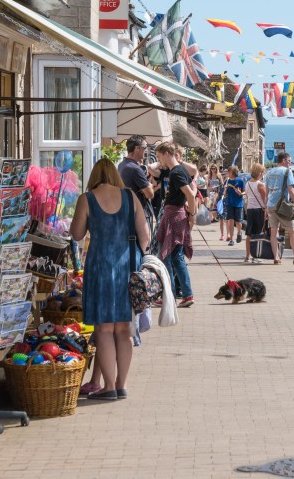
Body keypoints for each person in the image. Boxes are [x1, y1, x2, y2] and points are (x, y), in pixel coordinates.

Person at [69, 159, 150, 400]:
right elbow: (144, 236)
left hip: (99, 267)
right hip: (126, 267)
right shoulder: (130, 197)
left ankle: (109, 387)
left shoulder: (87, 199)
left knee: (104, 329)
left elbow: (77, 234)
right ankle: (121, 385)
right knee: (123, 330)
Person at [153, 142, 198, 308]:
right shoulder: (180, 171)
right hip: (176, 214)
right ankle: (185, 294)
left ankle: (170, 294)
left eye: (159, 157)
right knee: (175, 257)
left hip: (174, 215)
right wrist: (190, 214)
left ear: (166, 153)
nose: (159, 161)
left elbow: (191, 195)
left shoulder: (176, 173)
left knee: (168, 257)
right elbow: (192, 192)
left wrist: (192, 215)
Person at [264, 152, 294, 265]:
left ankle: (276, 258)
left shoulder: (269, 172)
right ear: (283, 160)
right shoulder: (287, 172)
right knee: (292, 231)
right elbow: (291, 189)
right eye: (288, 161)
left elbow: (266, 192)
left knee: (273, 232)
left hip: (271, 204)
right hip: (282, 205)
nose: (289, 163)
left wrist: (265, 208)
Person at [118, 135, 156, 254]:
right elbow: (150, 194)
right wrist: (149, 186)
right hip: (139, 214)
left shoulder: (122, 165)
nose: (146, 150)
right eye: (144, 147)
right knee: (144, 247)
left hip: (128, 212)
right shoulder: (135, 169)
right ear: (136, 148)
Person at [244, 163, 268, 263]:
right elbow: (265, 199)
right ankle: (256, 255)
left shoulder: (247, 183)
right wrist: (266, 210)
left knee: (249, 234)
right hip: (259, 210)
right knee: (258, 233)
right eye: (262, 173)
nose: (263, 175)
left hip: (250, 209)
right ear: (259, 173)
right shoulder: (260, 184)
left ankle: (247, 255)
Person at [222, 166, 245, 246]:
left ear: (234, 172)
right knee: (230, 221)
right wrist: (225, 190)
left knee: (238, 222)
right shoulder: (227, 181)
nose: (228, 173)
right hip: (229, 203)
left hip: (238, 204)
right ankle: (231, 239)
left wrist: (240, 193)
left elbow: (244, 192)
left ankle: (239, 232)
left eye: (230, 171)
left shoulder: (240, 181)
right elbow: (225, 194)